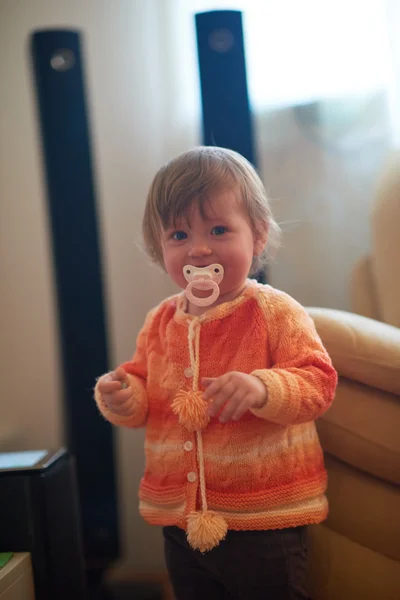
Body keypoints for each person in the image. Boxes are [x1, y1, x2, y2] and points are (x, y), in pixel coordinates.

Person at [94, 146, 337, 599]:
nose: (199, 248)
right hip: (182, 523)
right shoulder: (160, 322)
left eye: (220, 229)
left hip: (266, 521)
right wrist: (125, 396)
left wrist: (263, 388)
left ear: (258, 236)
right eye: (179, 235)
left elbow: (318, 383)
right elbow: (144, 391)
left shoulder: (274, 311)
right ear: (159, 247)